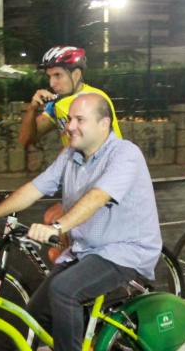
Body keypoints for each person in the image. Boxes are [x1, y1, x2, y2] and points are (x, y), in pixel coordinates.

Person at [0, 94, 162, 351]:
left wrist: (57, 227)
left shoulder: (125, 154)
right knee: (37, 311)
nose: (69, 126)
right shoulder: (70, 156)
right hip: (87, 249)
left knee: (65, 291)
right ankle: (91, 347)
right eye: (69, 119)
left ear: (104, 124)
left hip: (125, 249)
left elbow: (98, 196)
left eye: (79, 120)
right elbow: (35, 187)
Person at [19, 46, 122, 261]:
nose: (52, 83)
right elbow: (27, 138)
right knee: (57, 246)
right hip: (83, 180)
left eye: (58, 75)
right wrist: (32, 109)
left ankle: (79, 277)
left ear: (76, 74)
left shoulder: (94, 99)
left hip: (104, 179)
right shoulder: (58, 103)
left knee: (56, 223)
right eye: (50, 77)